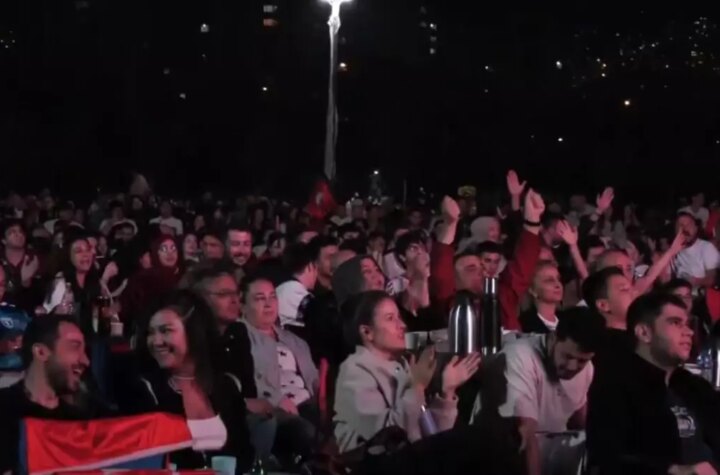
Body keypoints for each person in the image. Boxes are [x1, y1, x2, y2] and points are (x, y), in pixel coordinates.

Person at [587, 292, 720, 475]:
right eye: (675, 323)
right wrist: (673, 470)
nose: (689, 332)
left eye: (687, 324)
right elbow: (607, 457)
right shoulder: (614, 386)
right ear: (644, 332)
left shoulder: (694, 387)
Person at [334, 290, 480, 453]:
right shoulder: (354, 372)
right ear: (367, 332)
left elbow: (431, 435)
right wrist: (417, 387)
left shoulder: (402, 364)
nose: (402, 325)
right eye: (390, 318)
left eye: (399, 317)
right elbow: (386, 437)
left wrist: (447, 391)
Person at [125, 290, 254, 472]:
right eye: (151, 333)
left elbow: (245, 454)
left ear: (193, 333)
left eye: (166, 330)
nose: (156, 341)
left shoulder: (226, 387)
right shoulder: (145, 390)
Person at [477, 306, 606, 475]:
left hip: (550, 451)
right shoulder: (519, 356)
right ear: (554, 337)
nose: (572, 367)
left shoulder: (587, 369)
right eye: (567, 356)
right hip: (501, 457)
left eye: (581, 361)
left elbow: (581, 421)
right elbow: (526, 434)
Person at [0, 316, 110, 473]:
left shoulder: (85, 421)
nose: (86, 360)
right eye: (74, 347)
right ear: (41, 352)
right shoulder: (4, 411)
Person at [240, 275, 319, 465]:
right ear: (243, 305)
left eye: (272, 297)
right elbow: (245, 384)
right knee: (305, 432)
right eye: (260, 298)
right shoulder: (240, 339)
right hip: (273, 409)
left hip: (308, 404)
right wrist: (277, 400)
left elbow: (314, 379)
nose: (268, 304)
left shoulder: (295, 341)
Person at [672, 212, 720, 293]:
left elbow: (712, 279)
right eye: (681, 225)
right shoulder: (673, 250)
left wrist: (694, 281)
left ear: (696, 228)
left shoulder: (706, 248)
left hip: (698, 295)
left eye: (689, 225)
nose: (685, 228)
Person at [276, 244, 318, 330]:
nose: (316, 275)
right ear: (310, 266)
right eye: (316, 269)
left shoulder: (280, 288)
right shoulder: (298, 293)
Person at [518, 261, 564, 333]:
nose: (557, 285)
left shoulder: (570, 321)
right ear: (532, 290)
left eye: (559, 279)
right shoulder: (523, 325)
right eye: (549, 280)